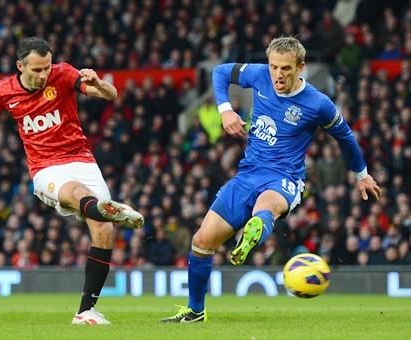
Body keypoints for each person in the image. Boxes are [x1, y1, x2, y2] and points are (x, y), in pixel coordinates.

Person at [160, 36, 381, 323]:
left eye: (286, 69)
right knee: (201, 242)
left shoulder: (318, 103)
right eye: (274, 67)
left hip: (285, 178)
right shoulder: (260, 75)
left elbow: (346, 137)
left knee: (266, 207)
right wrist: (225, 109)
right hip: (248, 174)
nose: (278, 74)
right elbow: (220, 72)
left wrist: (361, 175)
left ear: (301, 67)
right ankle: (194, 311)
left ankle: (254, 232)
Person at [0, 37, 144, 325]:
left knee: (104, 230)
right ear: (20, 66)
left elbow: (111, 95)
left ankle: (85, 311)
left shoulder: (63, 73)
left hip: (81, 158)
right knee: (78, 195)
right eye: (37, 70)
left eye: (46, 68)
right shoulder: (5, 91)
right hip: (45, 168)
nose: (44, 75)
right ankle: (108, 208)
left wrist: (99, 81)